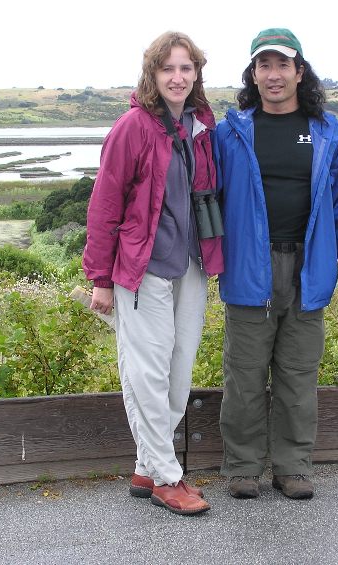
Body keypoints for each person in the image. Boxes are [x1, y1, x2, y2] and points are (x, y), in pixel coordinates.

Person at [213, 28, 338, 500]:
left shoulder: (328, 132)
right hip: (248, 272)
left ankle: (293, 467)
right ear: (253, 75)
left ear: (300, 73)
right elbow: (205, 197)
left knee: (299, 377)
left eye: (283, 65)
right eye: (264, 65)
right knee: (244, 376)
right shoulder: (231, 132)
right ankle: (242, 467)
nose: (274, 74)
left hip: (310, 270)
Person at [83, 31, 223, 516]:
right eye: (169, 69)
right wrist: (101, 278)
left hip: (192, 265)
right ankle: (167, 476)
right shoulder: (133, 127)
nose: (178, 77)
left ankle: (148, 464)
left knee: (178, 369)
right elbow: (104, 205)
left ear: (196, 74)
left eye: (186, 68)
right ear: (153, 74)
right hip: (141, 270)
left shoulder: (201, 127)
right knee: (147, 372)